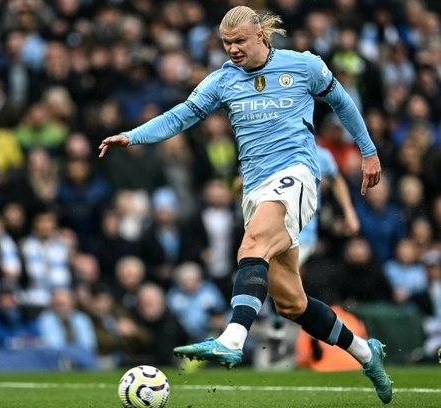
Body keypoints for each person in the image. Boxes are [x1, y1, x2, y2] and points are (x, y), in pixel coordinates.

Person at [98, 6, 391, 404]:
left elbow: (342, 102)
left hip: (297, 175)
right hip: (254, 189)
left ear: (261, 36)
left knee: (250, 247)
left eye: (239, 41)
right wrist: (132, 136)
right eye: (226, 43)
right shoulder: (222, 81)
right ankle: (363, 351)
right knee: (291, 303)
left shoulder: (304, 66)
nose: (232, 49)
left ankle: (232, 338)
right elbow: (180, 116)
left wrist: (368, 152)